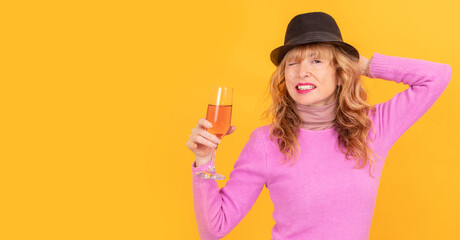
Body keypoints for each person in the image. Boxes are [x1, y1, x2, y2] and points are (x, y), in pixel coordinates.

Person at [185, 12, 452, 240]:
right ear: (284, 76)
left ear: (340, 73)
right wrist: (204, 161)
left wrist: (365, 64)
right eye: (293, 62)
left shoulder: (373, 128)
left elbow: (438, 76)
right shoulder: (266, 142)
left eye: (316, 60)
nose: (302, 71)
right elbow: (214, 229)